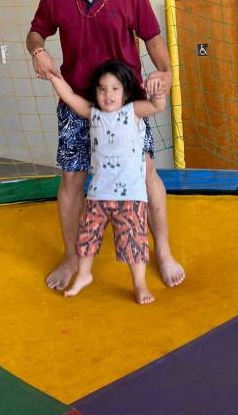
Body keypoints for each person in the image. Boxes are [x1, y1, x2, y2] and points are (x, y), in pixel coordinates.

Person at [26, 0, 185, 291]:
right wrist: (37, 51)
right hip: (77, 103)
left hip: (125, 105)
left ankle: (163, 252)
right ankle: (72, 258)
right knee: (71, 179)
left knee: (146, 173)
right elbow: (35, 33)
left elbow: (153, 39)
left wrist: (166, 72)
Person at [48, 60, 165, 304]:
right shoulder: (93, 114)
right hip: (98, 194)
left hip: (130, 196)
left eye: (114, 89)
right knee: (86, 236)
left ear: (125, 93)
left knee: (133, 241)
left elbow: (156, 106)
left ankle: (139, 283)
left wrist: (158, 91)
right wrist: (53, 76)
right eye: (102, 89)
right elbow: (69, 96)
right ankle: (84, 274)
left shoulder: (132, 112)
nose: (108, 94)